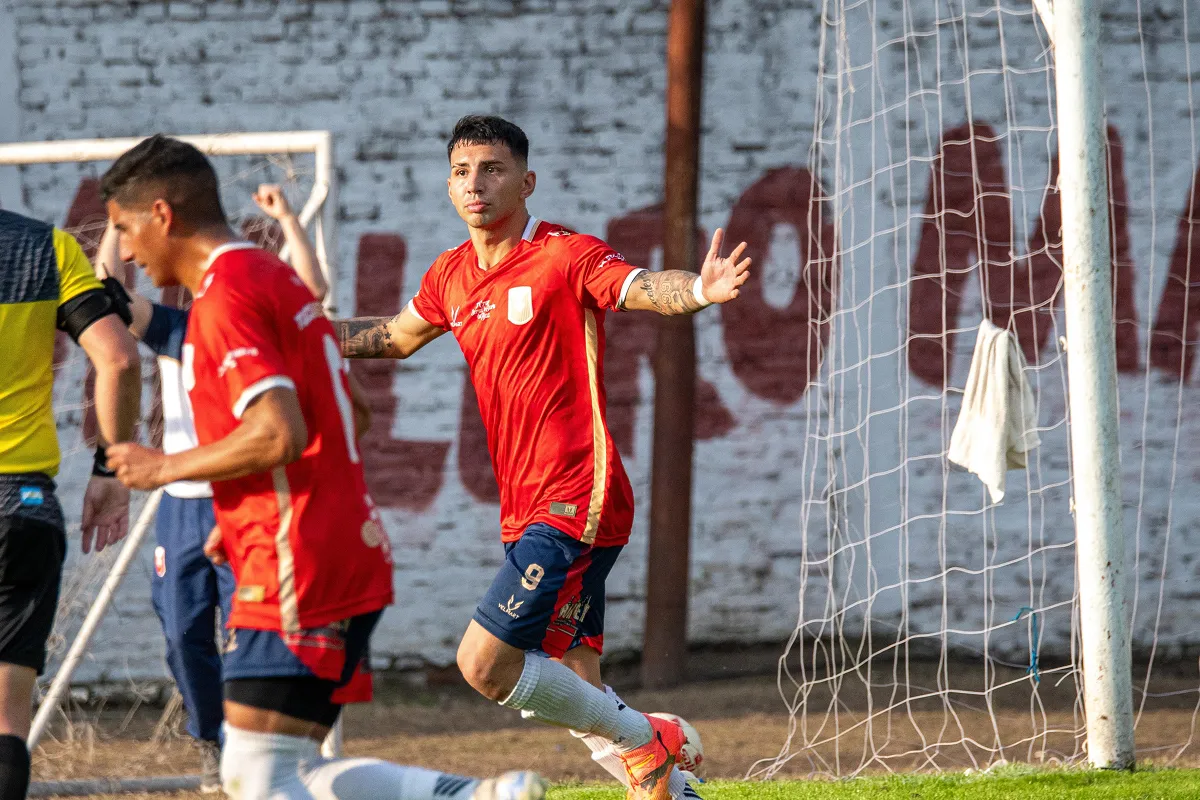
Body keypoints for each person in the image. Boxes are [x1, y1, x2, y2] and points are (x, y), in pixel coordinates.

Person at [100, 134, 547, 800]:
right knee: (281, 771)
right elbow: (352, 411)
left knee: (257, 778)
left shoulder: (225, 298)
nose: (127, 250)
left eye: (123, 228)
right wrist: (244, 508)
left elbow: (278, 431)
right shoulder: (274, 277)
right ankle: (480, 796)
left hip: (295, 562)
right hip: (339, 549)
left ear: (162, 215)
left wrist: (162, 468)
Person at [334, 115, 751, 800]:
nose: (475, 183)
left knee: (485, 664)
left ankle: (645, 734)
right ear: (449, 185)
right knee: (575, 681)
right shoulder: (449, 275)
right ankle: (672, 786)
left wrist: (700, 290)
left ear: (526, 182)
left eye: (492, 169)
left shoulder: (565, 255)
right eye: (462, 172)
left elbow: (641, 286)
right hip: (525, 504)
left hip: (576, 493)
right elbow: (395, 337)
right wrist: (304, 332)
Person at [89, 184, 339, 792]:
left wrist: (289, 220)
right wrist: (118, 225)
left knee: (253, 631)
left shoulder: (258, 324)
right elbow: (108, 294)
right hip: (181, 508)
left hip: (245, 501)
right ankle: (209, 737)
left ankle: (264, 748)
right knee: (183, 633)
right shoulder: (176, 327)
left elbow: (314, 291)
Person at [0, 209, 142, 799]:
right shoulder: (44, 248)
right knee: (6, 715)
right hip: (19, 505)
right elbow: (119, 358)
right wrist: (111, 467)